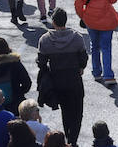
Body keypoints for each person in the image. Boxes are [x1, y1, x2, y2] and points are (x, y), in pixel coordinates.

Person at [36, 8, 89, 144]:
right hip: (75, 81)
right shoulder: (77, 38)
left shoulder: (45, 40)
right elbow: (83, 58)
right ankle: (73, 140)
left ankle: (68, 138)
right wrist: (81, 67)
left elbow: (41, 63)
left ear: (53, 22)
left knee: (65, 112)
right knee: (77, 113)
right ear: (66, 21)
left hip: (57, 81)